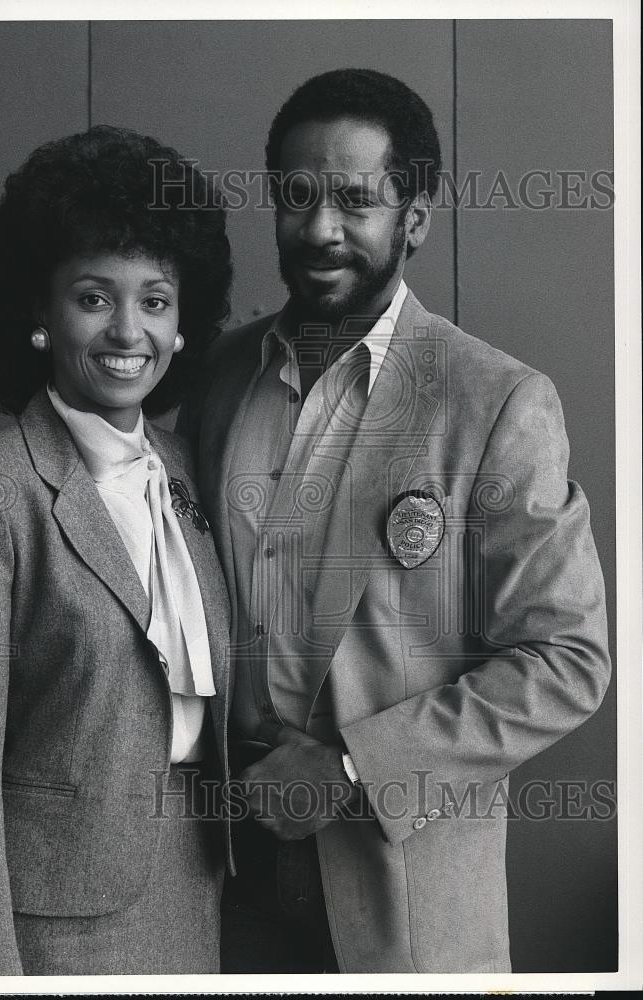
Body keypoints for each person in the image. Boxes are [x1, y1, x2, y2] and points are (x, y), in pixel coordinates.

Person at [189, 69, 611, 973]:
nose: (319, 229)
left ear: (413, 218)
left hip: (403, 902)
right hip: (220, 884)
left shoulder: (494, 401)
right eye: (296, 197)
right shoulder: (218, 376)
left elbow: (566, 661)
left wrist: (349, 767)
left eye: (354, 201)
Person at [0, 126, 233, 975]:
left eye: (155, 301)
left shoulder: (195, 473)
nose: (128, 330)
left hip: (200, 887)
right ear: (40, 315)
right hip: (50, 924)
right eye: (93, 298)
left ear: (183, 323)